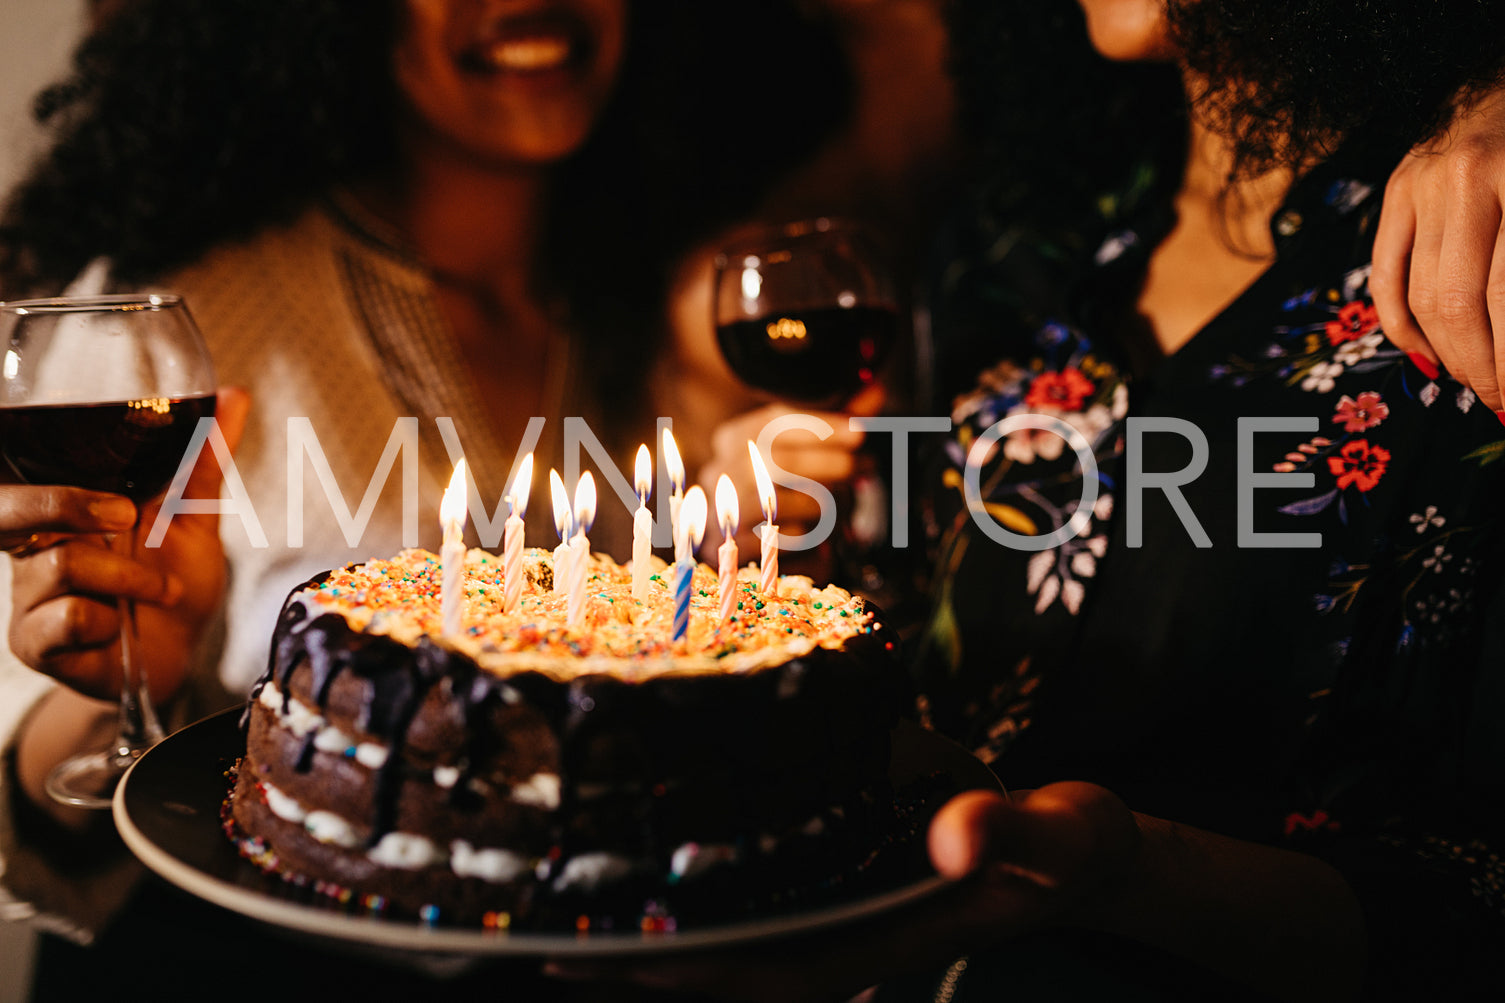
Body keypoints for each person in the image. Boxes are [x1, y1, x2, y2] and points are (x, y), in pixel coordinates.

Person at [557, 1, 1505, 1000]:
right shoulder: (1013, 234)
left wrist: (1120, 874)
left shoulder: (1468, 252)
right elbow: (921, 651)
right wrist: (801, 592)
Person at [0, 0, 853, 988]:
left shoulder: (674, 311)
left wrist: (769, 562)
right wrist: (126, 684)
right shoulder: (168, 330)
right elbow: (35, 816)